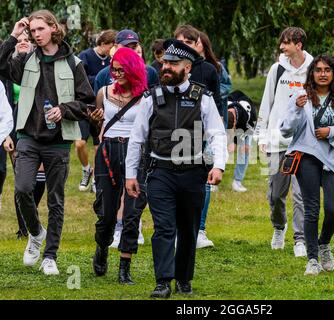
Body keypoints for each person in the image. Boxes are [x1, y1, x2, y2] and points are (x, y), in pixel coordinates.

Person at [125, 39, 227, 298]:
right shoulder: (151, 98)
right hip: (160, 172)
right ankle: (163, 281)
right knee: (164, 228)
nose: (166, 67)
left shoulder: (202, 97)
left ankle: (184, 278)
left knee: (188, 228)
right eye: (165, 63)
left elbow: (217, 133)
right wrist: (130, 175)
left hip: (193, 172)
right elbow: (137, 138)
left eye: (173, 63)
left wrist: (219, 166)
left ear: (188, 67)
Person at [0, 10, 94, 275]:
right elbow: (0, 65)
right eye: (32, 30)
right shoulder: (26, 58)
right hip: (28, 136)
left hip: (58, 141)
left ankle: (50, 256)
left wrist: (64, 110)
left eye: (40, 29)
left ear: (53, 28)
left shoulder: (74, 63)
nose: (35, 34)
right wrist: (12, 36)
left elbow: (86, 102)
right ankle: (35, 233)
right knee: (22, 189)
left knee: (56, 200)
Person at [280, 54, 334, 275]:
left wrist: (331, 132)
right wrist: (296, 108)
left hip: (333, 160)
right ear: (312, 73)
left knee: (333, 211)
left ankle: (324, 243)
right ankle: (312, 258)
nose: (322, 74)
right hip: (307, 157)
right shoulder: (300, 96)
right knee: (311, 209)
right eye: (318, 70)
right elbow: (286, 129)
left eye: (327, 70)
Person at [94, 30, 158, 248]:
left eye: (135, 45)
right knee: (108, 203)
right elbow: (100, 116)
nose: (118, 73)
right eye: (127, 46)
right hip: (110, 146)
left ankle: (130, 230)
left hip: (136, 146)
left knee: (134, 193)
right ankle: (107, 238)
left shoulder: (149, 75)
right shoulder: (104, 80)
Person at [253, 27, 313, 257]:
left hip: (303, 141)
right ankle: (279, 227)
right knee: (276, 194)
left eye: (286, 43)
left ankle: (300, 239)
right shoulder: (277, 70)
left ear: (298, 44)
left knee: (301, 194)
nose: (282, 47)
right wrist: (261, 136)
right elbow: (266, 104)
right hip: (276, 141)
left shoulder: (314, 69)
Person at [90, 47, 149, 281]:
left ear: (133, 69)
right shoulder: (103, 92)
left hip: (135, 151)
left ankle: (125, 267)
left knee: (133, 212)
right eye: (113, 70)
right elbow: (98, 130)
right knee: (106, 211)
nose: (116, 74)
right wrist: (95, 123)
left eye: (121, 70)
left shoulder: (146, 97)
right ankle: (102, 247)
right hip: (108, 152)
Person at [1, 32, 47, 238]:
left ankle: (32, 215)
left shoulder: (35, 65)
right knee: (21, 177)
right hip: (13, 124)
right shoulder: (7, 68)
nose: (22, 43)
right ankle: (23, 228)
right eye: (19, 41)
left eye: (26, 40)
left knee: (39, 177)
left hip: (35, 123)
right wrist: (6, 134)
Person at [194, 30, 232, 249]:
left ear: (203, 45)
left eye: (195, 42)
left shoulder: (213, 68)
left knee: (204, 180)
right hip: (184, 134)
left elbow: (223, 90)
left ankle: (200, 228)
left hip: (208, 130)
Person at [76, 29, 117, 192]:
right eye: (112, 46)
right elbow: (81, 78)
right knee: (79, 144)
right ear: (105, 44)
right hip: (85, 107)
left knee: (99, 146)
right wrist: (99, 77)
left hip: (103, 109)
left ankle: (95, 178)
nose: (114, 50)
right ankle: (86, 169)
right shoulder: (85, 56)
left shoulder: (112, 61)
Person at [227, 90, 257, 193]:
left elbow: (251, 126)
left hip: (247, 126)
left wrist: (236, 142)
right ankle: (212, 181)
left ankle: (237, 182)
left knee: (244, 151)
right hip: (231, 108)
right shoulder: (221, 110)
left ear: (235, 122)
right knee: (213, 148)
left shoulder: (247, 115)